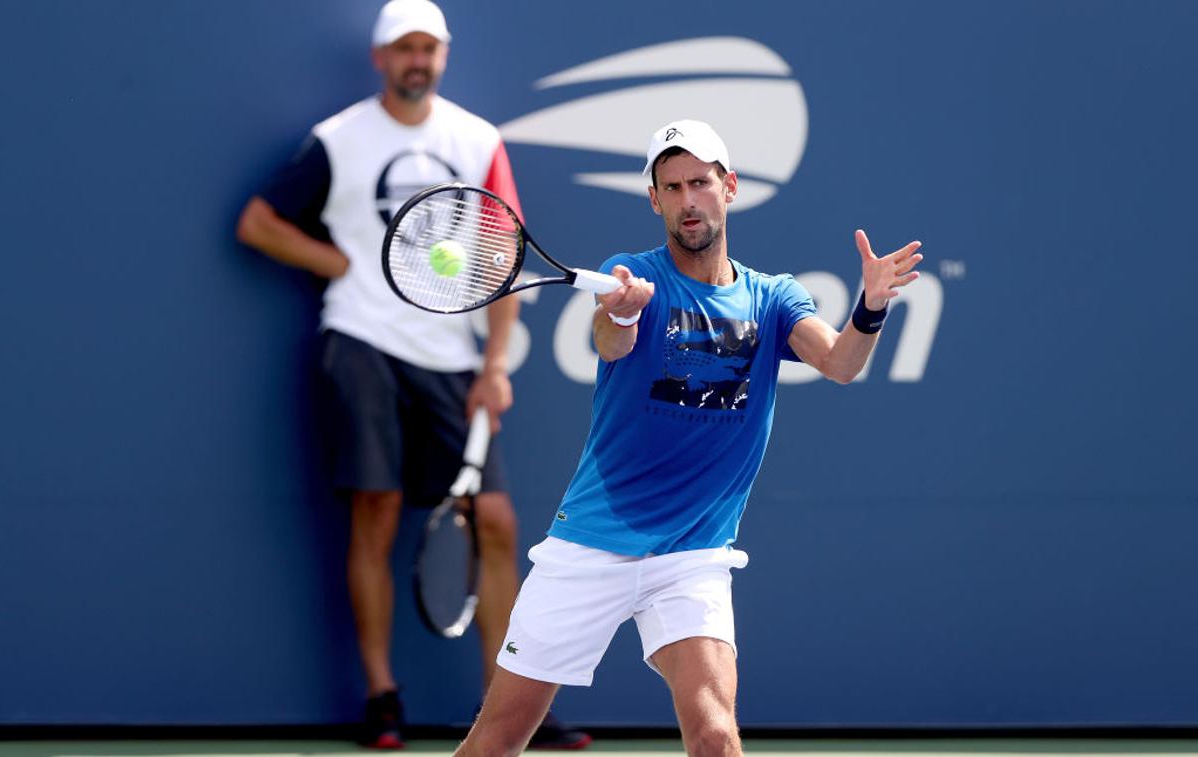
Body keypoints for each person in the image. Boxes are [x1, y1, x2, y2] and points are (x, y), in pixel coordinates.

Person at [454, 119, 924, 756]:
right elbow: (610, 339)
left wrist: (870, 306)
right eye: (670, 187)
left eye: (699, 182)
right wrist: (621, 311)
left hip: (692, 552)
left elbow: (841, 364)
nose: (687, 199)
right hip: (593, 542)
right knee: (498, 742)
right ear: (655, 200)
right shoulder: (631, 276)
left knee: (714, 735)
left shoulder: (774, 297)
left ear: (728, 187)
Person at [235, 0, 589, 749]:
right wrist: (340, 263)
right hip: (360, 341)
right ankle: (382, 695)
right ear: (381, 58)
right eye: (403, 48)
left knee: (493, 520)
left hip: (453, 360)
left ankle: (510, 706)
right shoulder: (338, 140)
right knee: (378, 509)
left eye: (428, 48)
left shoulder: (477, 140)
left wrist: (495, 366)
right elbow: (258, 222)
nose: (416, 60)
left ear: (444, 56)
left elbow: (502, 259)